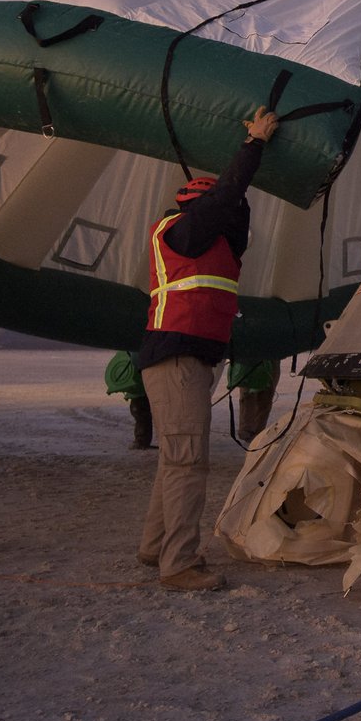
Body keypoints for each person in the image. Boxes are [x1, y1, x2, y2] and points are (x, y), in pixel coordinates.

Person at [134, 106, 278, 592]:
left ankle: (156, 548)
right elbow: (224, 204)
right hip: (176, 357)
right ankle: (179, 565)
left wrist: (252, 165)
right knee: (187, 460)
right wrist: (253, 145)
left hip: (191, 358)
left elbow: (235, 214)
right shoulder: (179, 230)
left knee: (176, 457)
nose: (230, 214)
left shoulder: (217, 243)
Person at [103, 351, 155, 449]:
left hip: (140, 377)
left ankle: (142, 441)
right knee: (140, 409)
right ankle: (142, 441)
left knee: (140, 410)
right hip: (141, 376)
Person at [228, 356, 281, 445]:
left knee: (266, 395)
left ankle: (258, 431)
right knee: (248, 392)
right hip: (250, 354)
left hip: (272, 355)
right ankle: (246, 429)